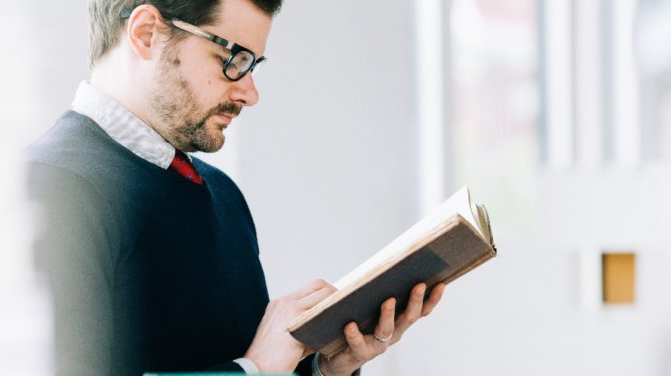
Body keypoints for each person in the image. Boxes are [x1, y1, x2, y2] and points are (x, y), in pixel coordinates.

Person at [25, 0, 446, 375]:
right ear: (146, 33)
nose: (250, 92)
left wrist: (322, 368)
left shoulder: (220, 192)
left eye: (254, 65)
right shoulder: (48, 187)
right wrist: (255, 368)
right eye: (233, 59)